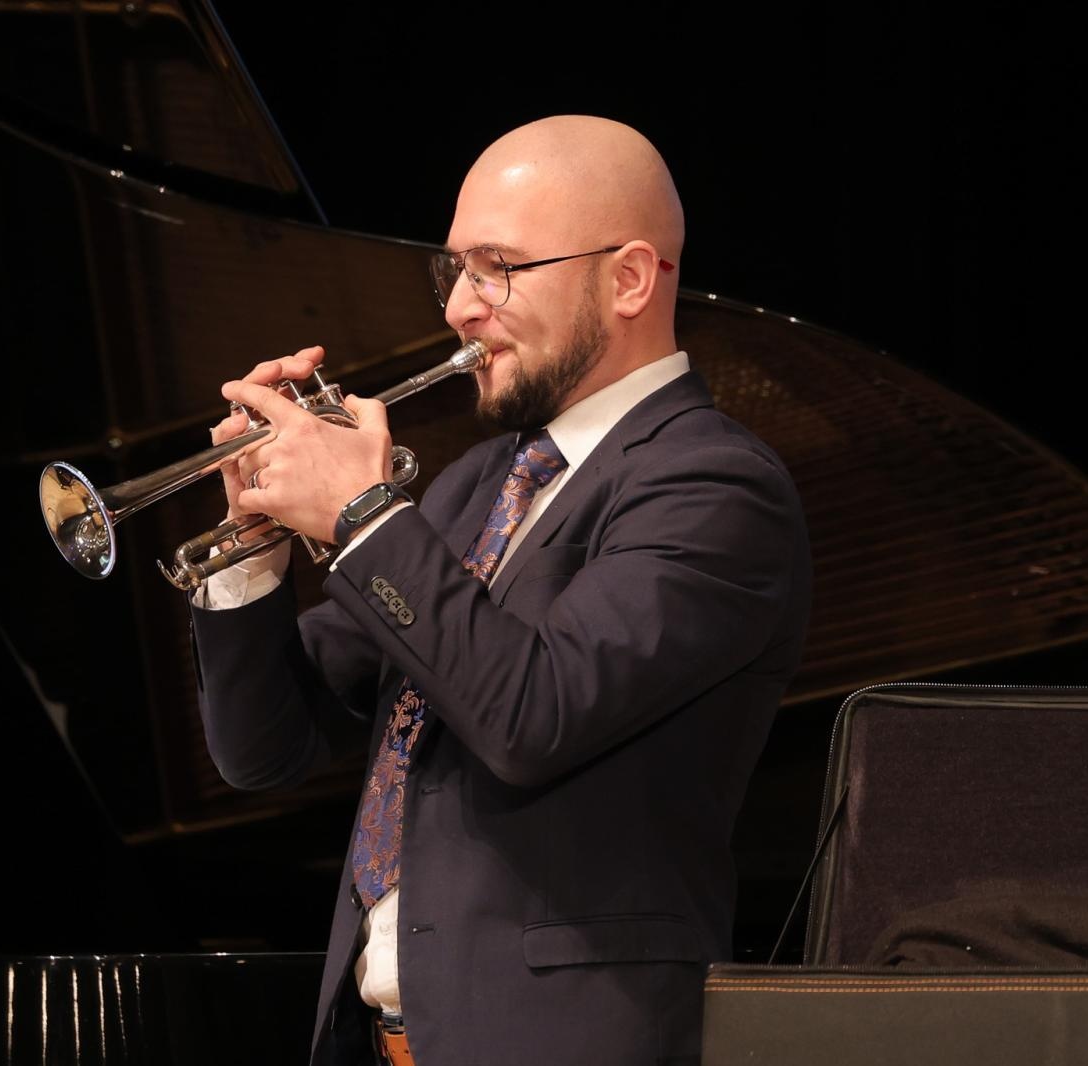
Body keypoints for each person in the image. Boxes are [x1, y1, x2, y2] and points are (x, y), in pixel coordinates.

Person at [191, 115, 811, 1066]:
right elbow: (265, 751)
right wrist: (251, 547)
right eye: (455, 272)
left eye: (499, 268)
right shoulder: (477, 482)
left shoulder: (716, 487)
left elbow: (532, 715)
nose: (460, 310)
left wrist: (361, 514)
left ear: (631, 278)